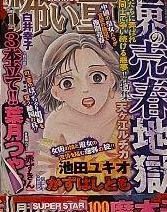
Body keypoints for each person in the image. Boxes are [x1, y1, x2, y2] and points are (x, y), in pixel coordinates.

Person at [34, 33, 122, 178]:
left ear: (111, 79)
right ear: (56, 92)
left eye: (97, 77)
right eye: (67, 83)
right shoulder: (56, 123)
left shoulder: (127, 110)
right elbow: (45, 171)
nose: (85, 89)